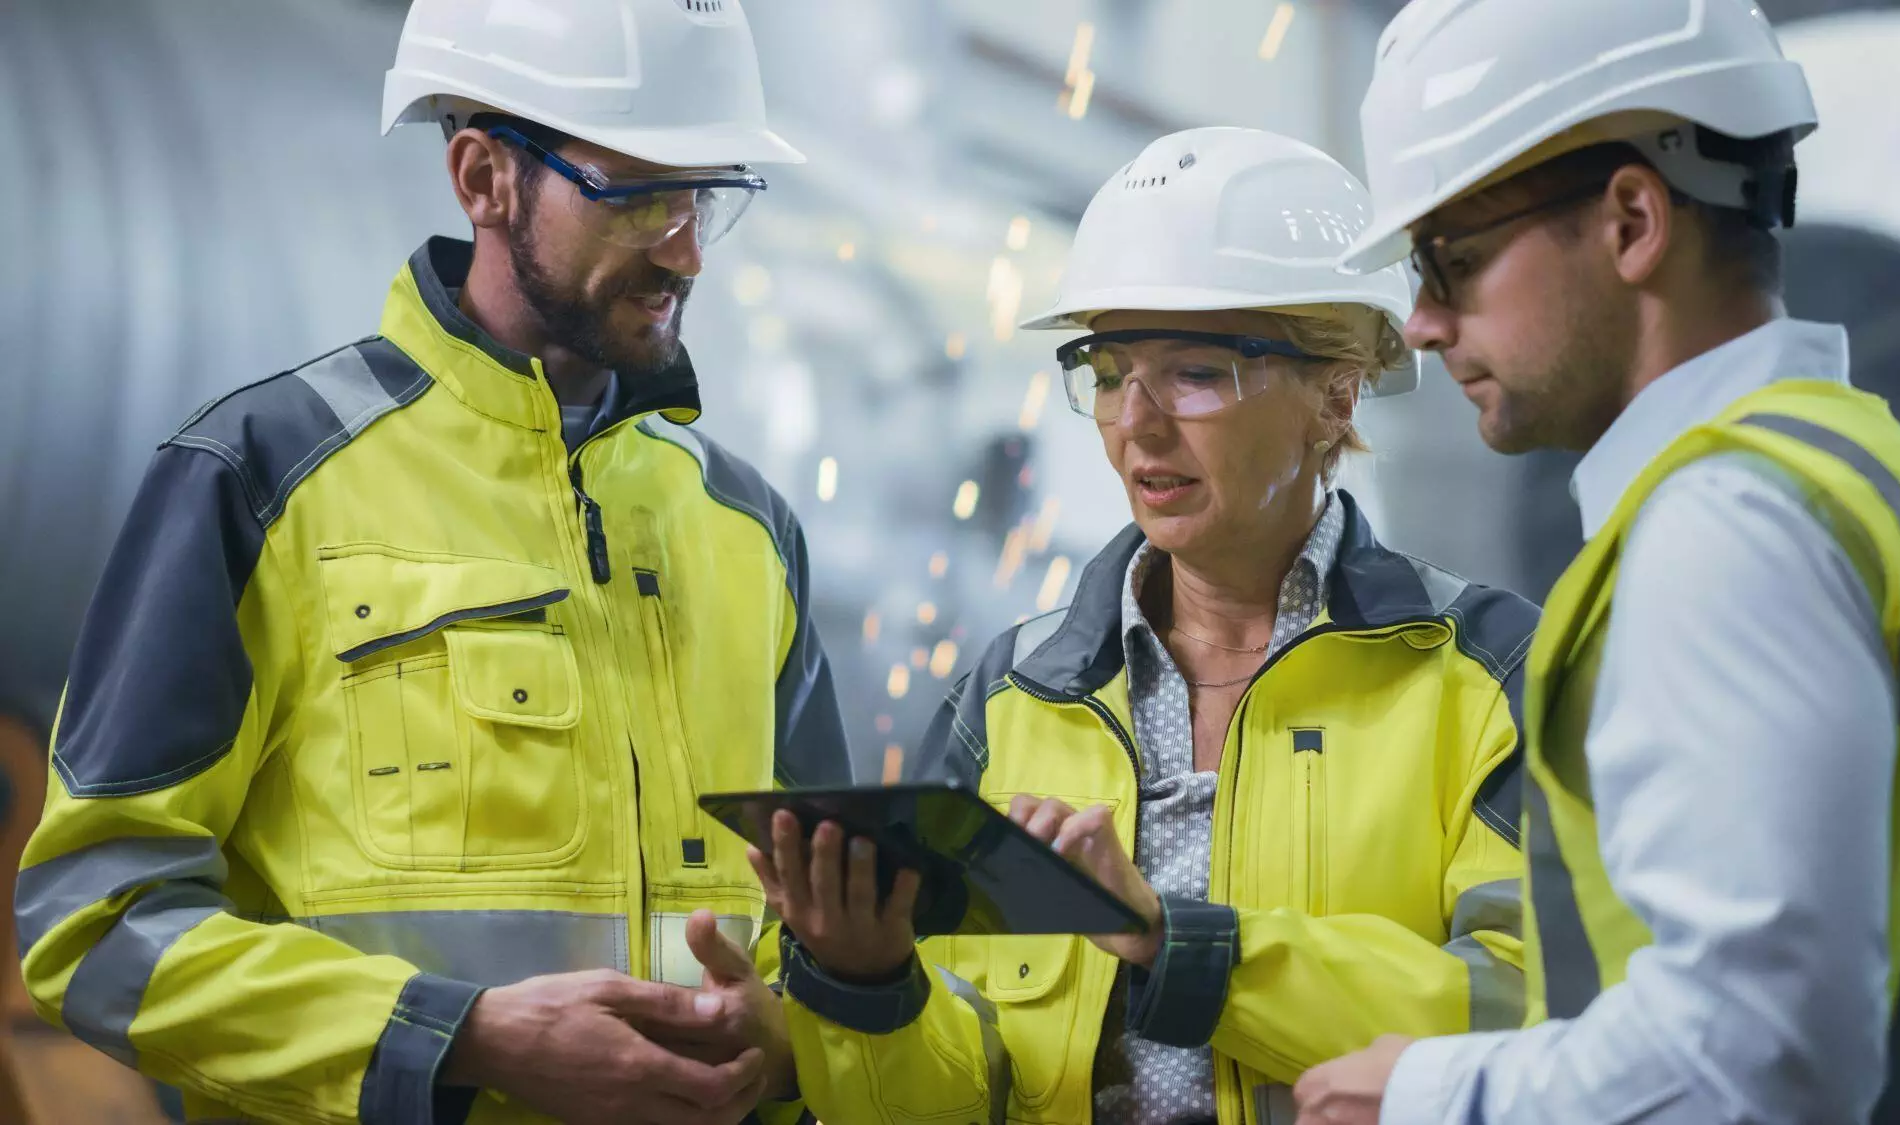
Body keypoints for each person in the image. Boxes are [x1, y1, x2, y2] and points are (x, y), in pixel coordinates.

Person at [13, 2, 850, 1122]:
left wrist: (794, 1037)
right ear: (483, 177)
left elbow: (833, 928)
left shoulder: (746, 528)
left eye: (705, 194)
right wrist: (466, 1039)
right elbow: (96, 926)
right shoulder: (265, 478)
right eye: (639, 193)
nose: (686, 248)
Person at [1291, 2, 1900, 1123]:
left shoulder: (1723, 531)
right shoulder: (1893, 485)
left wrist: (1432, 1097)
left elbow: (1757, 1052)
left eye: (1453, 260)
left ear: (1630, 219)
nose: (1422, 322)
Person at [757, 127, 1539, 1125]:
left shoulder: (1484, 676)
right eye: (1111, 368)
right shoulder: (1014, 696)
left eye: (1196, 372)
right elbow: (960, 1097)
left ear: (1333, 393)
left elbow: (1523, 1019)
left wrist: (1176, 941)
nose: (1137, 422)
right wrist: (864, 986)